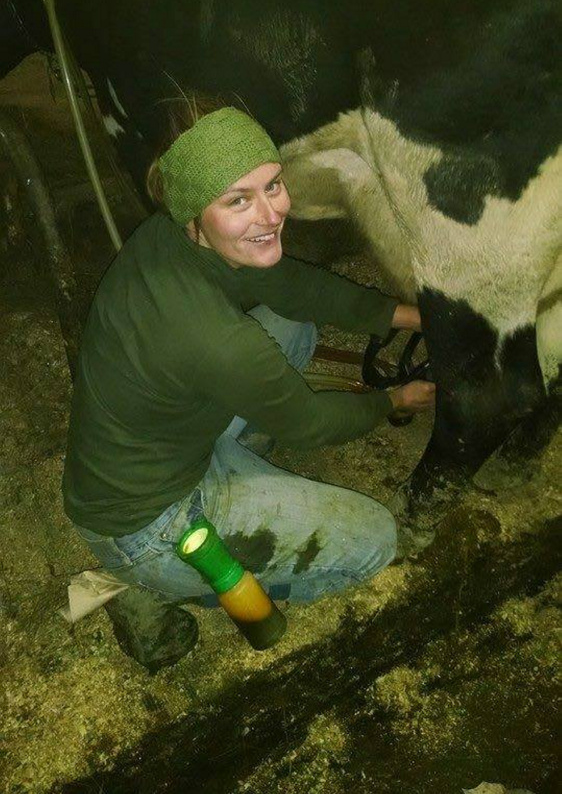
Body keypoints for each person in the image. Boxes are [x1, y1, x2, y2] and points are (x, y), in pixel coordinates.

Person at [63, 100, 435, 667]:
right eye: (239, 200)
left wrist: (407, 316)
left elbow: (299, 289)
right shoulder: (215, 338)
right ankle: (160, 584)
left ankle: (238, 463)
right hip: (152, 520)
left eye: (274, 186)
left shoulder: (171, 236)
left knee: (291, 324)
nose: (271, 214)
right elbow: (310, 425)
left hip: (151, 448)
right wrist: (394, 400)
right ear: (196, 214)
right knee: (376, 543)